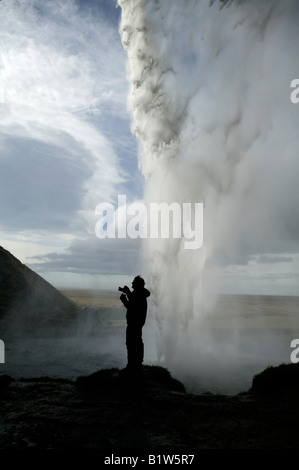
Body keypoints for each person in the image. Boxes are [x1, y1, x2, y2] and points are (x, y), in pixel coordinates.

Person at [119, 275, 150, 373]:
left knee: (131, 343)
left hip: (134, 323)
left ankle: (132, 365)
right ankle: (137, 363)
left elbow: (132, 307)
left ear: (137, 284)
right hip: (137, 322)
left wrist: (123, 300)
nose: (132, 283)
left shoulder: (138, 294)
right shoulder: (140, 293)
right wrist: (127, 292)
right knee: (137, 342)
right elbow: (133, 301)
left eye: (133, 282)